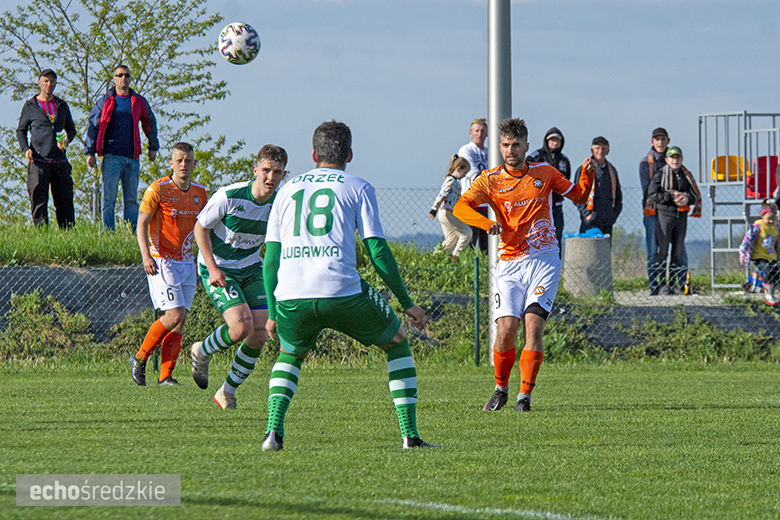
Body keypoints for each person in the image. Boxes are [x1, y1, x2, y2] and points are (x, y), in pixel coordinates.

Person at [261, 121, 436, 451]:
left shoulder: (285, 190)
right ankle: (409, 436)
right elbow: (378, 251)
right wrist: (406, 302)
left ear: (313, 154)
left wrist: (271, 312)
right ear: (350, 154)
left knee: (289, 353)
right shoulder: (358, 186)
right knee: (397, 341)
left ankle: (273, 433)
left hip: (291, 296)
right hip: (341, 291)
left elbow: (270, 261)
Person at [453, 118, 595, 412]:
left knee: (533, 325)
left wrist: (588, 176)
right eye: (505, 145)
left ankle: (524, 396)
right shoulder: (490, 179)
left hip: (543, 260)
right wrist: (485, 222)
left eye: (516, 145)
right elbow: (460, 207)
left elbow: (578, 195)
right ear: (500, 146)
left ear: (527, 147)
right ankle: (500, 390)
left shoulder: (545, 173)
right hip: (509, 264)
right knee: (505, 330)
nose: (510, 150)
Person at [189, 145, 288, 409]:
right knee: (240, 327)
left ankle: (226, 391)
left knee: (259, 335)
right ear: (255, 170)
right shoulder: (229, 195)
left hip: (251, 268)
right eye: (266, 170)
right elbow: (200, 228)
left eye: (277, 172)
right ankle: (202, 350)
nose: (270, 177)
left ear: (283, 175)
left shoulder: (280, 204)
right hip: (219, 266)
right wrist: (212, 268)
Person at [130, 142, 208, 386]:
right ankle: (139, 358)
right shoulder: (158, 189)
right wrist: (146, 255)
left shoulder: (200, 193)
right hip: (161, 261)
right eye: (179, 160)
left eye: (188, 160)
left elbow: (205, 228)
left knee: (181, 318)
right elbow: (141, 223)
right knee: (173, 315)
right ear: (171, 163)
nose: (184, 164)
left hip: (186, 261)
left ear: (194, 164)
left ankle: (166, 376)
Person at [84, 64, 159, 231]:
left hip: (132, 157)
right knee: (108, 198)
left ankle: (131, 233)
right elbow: (93, 125)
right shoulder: (105, 101)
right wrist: (90, 152)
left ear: (130, 78)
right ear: (114, 78)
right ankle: (108, 233)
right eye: (119, 75)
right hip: (111, 156)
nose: (123, 78)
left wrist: (152, 147)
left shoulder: (138, 101)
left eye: (126, 75)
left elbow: (150, 123)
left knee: (131, 199)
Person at [16, 69, 77, 229]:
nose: (49, 84)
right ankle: (42, 235)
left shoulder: (62, 105)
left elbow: (71, 129)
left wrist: (67, 138)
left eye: (52, 81)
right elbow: (21, 131)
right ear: (39, 83)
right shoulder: (30, 106)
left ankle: (68, 236)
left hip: (60, 161)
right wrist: (26, 149)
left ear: (56, 83)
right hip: (38, 161)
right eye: (45, 81)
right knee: (39, 200)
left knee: (65, 201)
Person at [648, 146, 701, 296]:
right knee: (662, 253)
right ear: (667, 159)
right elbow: (652, 194)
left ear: (682, 159)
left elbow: (694, 196)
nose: (675, 160)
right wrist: (671, 197)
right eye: (672, 157)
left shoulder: (686, 175)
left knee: (677, 253)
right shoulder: (660, 174)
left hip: (681, 217)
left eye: (678, 157)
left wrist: (686, 200)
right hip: (664, 216)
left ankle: (672, 284)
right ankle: (661, 285)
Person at [640, 127, 688, 291]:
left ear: (668, 141)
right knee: (655, 251)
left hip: (674, 214)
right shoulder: (645, 163)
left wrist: (685, 197)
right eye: (657, 139)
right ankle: (656, 286)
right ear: (652, 142)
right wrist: (672, 196)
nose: (660, 142)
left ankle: (681, 285)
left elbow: (688, 186)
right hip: (653, 212)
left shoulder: (676, 160)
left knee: (679, 251)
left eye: (663, 139)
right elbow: (649, 191)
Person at [526, 127, 572, 255]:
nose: (555, 143)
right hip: (539, 207)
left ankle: (556, 269)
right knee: (537, 238)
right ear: (546, 141)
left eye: (557, 140)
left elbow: (566, 179)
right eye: (552, 139)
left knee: (556, 237)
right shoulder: (536, 157)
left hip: (557, 206)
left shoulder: (564, 160)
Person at [574, 136, 622, 237]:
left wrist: (613, 215)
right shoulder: (583, 169)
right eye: (597, 148)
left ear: (608, 151)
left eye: (603, 148)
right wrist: (587, 214)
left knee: (605, 251)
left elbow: (618, 195)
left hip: (607, 220)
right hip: (590, 221)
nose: (600, 151)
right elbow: (576, 194)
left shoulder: (612, 170)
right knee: (588, 251)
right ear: (592, 150)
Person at [428, 154, 472, 260]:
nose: (464, 176)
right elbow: (442, 194)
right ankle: (455, 258)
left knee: (451, 239)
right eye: (464, 172)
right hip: (447, 212)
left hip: (444, 213)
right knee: (466, 233)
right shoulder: (451, 181)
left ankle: (435, 259)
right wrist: (433, 209)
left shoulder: (452, 181)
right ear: (458, 169)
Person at [739, 199, 780, 306]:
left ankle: (773, 291)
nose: (771, 221)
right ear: (762, 216)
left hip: (772, 256)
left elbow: (777, 243)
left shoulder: (776, 228)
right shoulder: (757, 227)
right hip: (759, 256)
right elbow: (746, 241)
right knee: (766, 269)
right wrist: (742, 254)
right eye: (769, 219)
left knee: (776, 271)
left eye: (773, 219)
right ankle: (768, 295)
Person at [458, 118, 489, 252]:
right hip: (472, 203)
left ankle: (485, 271)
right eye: (476, 131)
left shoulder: (490, 152)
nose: (479, 134)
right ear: (470, 133)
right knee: (470, 240)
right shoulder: (466, 150)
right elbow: (474, 173)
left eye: (482, 131)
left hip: (488, 204)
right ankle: (466, 269)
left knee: (487, 244)